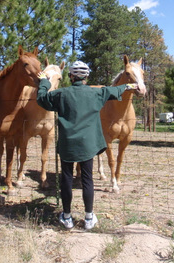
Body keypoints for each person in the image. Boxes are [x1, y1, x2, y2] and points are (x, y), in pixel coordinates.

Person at [36, 60, 138, 230]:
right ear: (86, 77)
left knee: (67, 179)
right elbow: (115, 90)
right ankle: (89, 218)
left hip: (68, 145)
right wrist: (130, 86)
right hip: (88, 145)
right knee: (87, 180)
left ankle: (67, 217)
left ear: (70, 76)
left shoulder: (61, 94)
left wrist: (44, 82)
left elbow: (42, 98)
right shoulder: (97, 94)